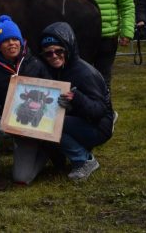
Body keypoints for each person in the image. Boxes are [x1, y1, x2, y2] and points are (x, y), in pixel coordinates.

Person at [0, 15, 51, 184]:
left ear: (21, 41)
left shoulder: (36, 65)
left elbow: (50, 93)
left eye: (14, 39)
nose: (11, 43)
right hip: (2, 121)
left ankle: (45, 152)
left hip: (29, 125)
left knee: (22, 178)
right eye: (5, 40)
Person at [39, 22, 114, 181]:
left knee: (51, 123)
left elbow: (99, 110)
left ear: (68, 48)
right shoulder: (56, 70)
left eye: (58, 51)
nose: (53, 56)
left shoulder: (85, 73)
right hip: (81, 119)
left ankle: (84, 161)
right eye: (48, 53)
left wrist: (77, 99)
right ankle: (64, 157)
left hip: (99, 125)